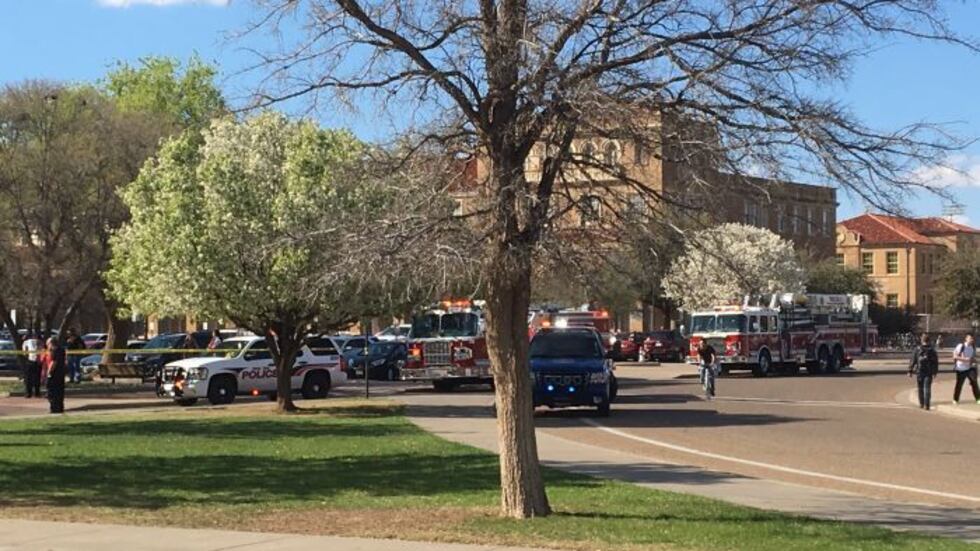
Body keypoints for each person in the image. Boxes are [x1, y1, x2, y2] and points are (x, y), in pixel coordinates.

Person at [908, 333, 939, 410]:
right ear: (929, 340)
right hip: (929, 371)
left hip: (919, 371)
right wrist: (935, 372)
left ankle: (921, 403)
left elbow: (913, 360)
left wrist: (910, 370)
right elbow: (935, 362)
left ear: (921, 340)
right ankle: (927, 404)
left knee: (920, 388)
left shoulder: (917, 349)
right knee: (927, 388)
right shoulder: (932, 350)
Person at [951, 334, 980, 405]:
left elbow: (972, 357)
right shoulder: (961, 346)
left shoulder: (972, 347)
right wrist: (964, 359)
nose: (971, 340)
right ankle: (955, 399)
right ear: (966, 339)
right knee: (959, 384)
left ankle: (978, 398)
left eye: (972, 339)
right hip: (960, 369)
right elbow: (954, 356)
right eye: (970, 338)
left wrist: (974, 362)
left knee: (974, 382)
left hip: (969, 368)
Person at [44, 337, 67, 414]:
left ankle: (54, 408)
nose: (48, 346)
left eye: (48, 344)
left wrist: (49, 372)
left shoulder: (55, 351)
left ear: (51, 344)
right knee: (60, 391)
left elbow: (53, 362)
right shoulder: (62, 350)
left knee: (52, 391)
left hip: (54, 374)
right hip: (61, 373)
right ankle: (60, 407)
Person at [21, 333, 41, 398]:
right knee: (37, 378)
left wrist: (27, 355)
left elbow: (24, 352)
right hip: (38, 361)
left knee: (29, 378)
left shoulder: (26, 342)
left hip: (30, 361)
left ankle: (28, 393)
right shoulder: (40, 342)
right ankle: (37, 393)